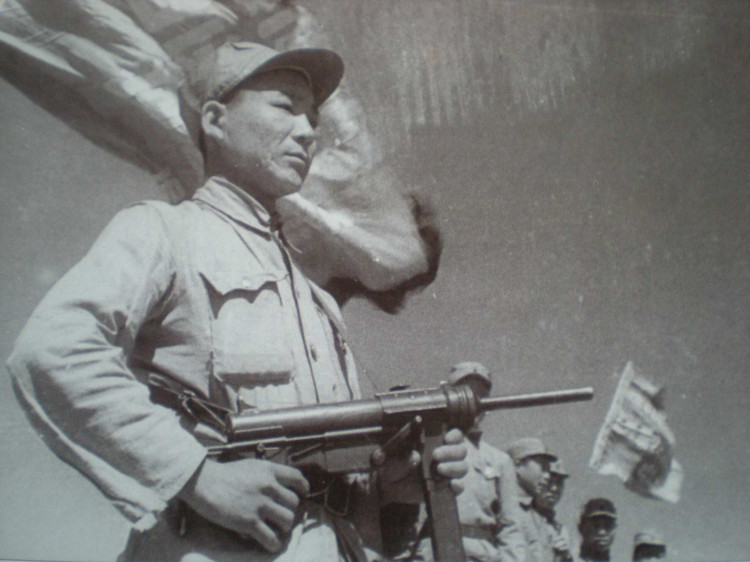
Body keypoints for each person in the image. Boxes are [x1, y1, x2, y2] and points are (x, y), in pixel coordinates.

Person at [7, 41, 467, 561]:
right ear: (215, 120)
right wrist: (198, 476)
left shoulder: (313, 296)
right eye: (285, 106)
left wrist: (392, 485)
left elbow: (323, 472)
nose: (308, 131)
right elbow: (53, 351)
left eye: (313, 118)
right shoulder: (165, 231)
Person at [409, 362, 526, 561]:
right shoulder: (424, 445)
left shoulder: (499, 461)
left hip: (482, 554)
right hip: (430, 552)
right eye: (466, 393)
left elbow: (511, 528)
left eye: (481, 396)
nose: (474, 402)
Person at [507, 437, 565, 562]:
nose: (547, 476)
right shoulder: (501, 507)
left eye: (548, 469)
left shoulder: (537, 517)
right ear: (517, 465)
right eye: (542, 468)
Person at [533, 460, 574, 562]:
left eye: (559, 483)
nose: (554, 488)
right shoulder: (521, 518)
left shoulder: (561, 530)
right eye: (550, 481)